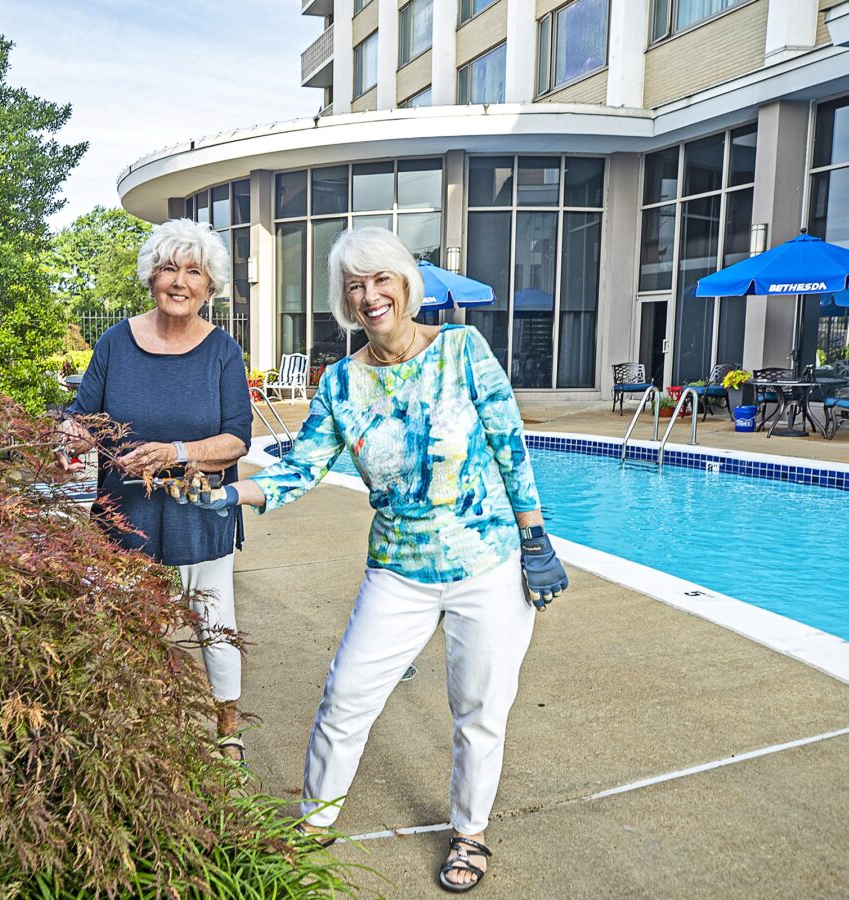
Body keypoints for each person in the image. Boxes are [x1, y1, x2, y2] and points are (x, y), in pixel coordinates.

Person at [167, 227, 568, 892]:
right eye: (354, 285)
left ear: (405, 284)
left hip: (487, 564)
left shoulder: (464, 351)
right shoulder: (343, 384)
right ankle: (315, 822)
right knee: (347, 694)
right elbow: (302, 468)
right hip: (399, 570)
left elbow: (509, 445)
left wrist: (535, 539)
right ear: (344, 300)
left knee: (479, 706)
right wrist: (228, 492)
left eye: (380, 279)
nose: (369, 295)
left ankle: (470, 834)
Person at [55, 218, 253, 763]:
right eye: (169, 268)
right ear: (151, 278)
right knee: (120, 618)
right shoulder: (116, 342)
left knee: (215, 621)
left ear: (209, 287)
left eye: (194, 271)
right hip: (124, 508)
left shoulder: (222, 352)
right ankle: (126, 720)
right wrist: (72, 430)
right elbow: (84, 415)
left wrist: (178, 452)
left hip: (198, 505)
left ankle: (227, 726)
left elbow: (237, 438)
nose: (180, 281)